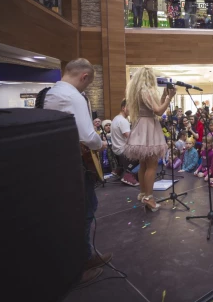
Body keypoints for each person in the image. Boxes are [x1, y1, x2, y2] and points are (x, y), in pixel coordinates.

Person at [43, 58, 112, 285]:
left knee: (76, 211)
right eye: (87, 84)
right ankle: (80, 264)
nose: (86, 88)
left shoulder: (51, 93)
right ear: (83, 77)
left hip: (60, 163)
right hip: (76, 165)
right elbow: (87, 136)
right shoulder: (74, 96)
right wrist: (100, 143)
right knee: (85, 209)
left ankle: (87, 255)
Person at [124, 67, 175, 211]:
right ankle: (149, 197)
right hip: (149, 127)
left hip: (141, 125)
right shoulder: (147, 90)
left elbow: (154, 106)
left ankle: (143, 193)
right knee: (152, 165)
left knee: (143, 164)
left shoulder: (139, 91)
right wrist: (170, 98)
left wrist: (164, 96)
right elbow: (158, 111)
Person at [110, 98, 139, 186]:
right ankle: (129, 174)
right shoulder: (123, 121)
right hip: (123, 150)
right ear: (123, 108)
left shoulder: (116, 118)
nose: (132, 110)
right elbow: (130, 138)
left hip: (116, 149)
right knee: (146, 157)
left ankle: (120, 169)